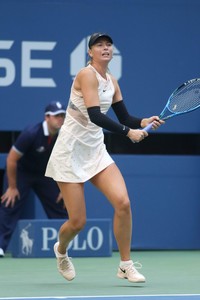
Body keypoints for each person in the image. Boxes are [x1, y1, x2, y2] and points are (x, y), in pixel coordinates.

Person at [45, 33, 164, 283]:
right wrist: (128, 133)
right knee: (77, 222)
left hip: (95, 151)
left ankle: (125, 265)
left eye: (108, 44)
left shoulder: (112, 80)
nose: (105, 48)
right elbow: (95, 116)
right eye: (99, 45)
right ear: (90, 52)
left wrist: (142, 121)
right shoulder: (86, 74)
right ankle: (61, 250)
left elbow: (124, 117)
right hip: (69, 152)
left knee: (123, 203)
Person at [0, 101, 68, 258]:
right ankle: (0, 246)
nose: (60, 119)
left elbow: (65, 162)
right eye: (56, 116)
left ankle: (65, 246)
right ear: (47, 118)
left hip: (45, 174)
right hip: (22, 173)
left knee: (61, 204)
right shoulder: (31, 133)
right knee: (10, 204)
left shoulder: (64, 136)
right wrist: (12, 186)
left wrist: (64, 189)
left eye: (62, 116)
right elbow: (11, 159)